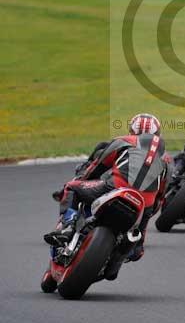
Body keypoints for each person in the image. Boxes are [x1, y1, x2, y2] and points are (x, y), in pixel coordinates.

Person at [44, 113, 171, 280]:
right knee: (138, 250)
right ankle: (117, 261)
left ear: (131, 130)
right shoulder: (167, 159)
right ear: (158, 133)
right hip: (144, 204)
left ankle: (67, 226)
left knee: (72, 188)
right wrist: (148, 212)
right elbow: (161, 195)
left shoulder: (124, 141)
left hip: (115, 187)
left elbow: (97, 166)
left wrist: (82, 179)